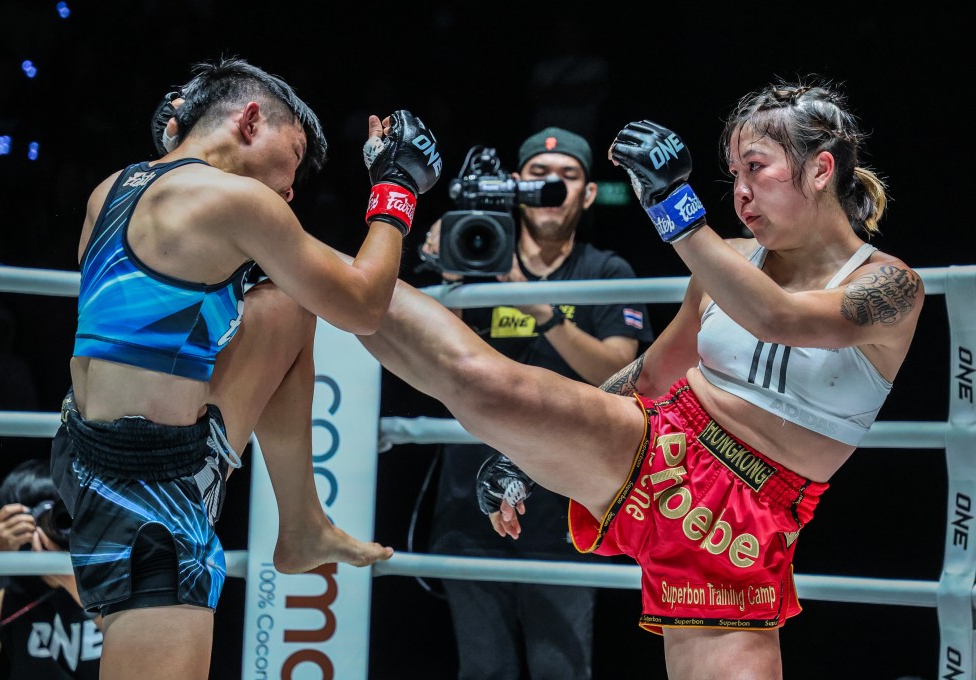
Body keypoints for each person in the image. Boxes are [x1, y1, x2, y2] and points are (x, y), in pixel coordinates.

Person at [354, 76, 923, 679]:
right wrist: (528, 452)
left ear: (819, 170)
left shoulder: (889, 287)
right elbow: (652, 373)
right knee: (489, 385)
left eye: (756, 168)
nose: (741, 192)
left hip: (747, 515)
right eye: (733, 175)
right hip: (658, 441)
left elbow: (778, 317)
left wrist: (674, 206)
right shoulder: (723, 258)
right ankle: (329, 234)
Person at [49, 56, 441, 680]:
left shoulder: (114, 187)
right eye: (293, 160)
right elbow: (363, 305)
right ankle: (303, 527)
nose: (291, 190)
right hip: (149, 481)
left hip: (86, 450)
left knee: (288, 309)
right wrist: (395, 188)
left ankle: (303, 524)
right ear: (251, 120)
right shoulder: (232, 200)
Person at [418, 126, 654, 679]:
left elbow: (620, 370)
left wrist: (536, 303)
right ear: (511, 187)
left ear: (588, 193)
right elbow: (435, 365)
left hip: (567, 509)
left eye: (567, 177)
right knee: (484, 672)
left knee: (561, 672)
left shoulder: (607, 272)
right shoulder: (470, 256)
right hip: (467, 503)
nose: (552, 188)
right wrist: (449, 276)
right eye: (538, 177)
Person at [0, 459, 103, 679]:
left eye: (65, 516)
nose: (58, 525)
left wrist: (78, 585)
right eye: (42, 518)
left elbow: (145, 661)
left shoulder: (112, 579)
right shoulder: (4, 592)